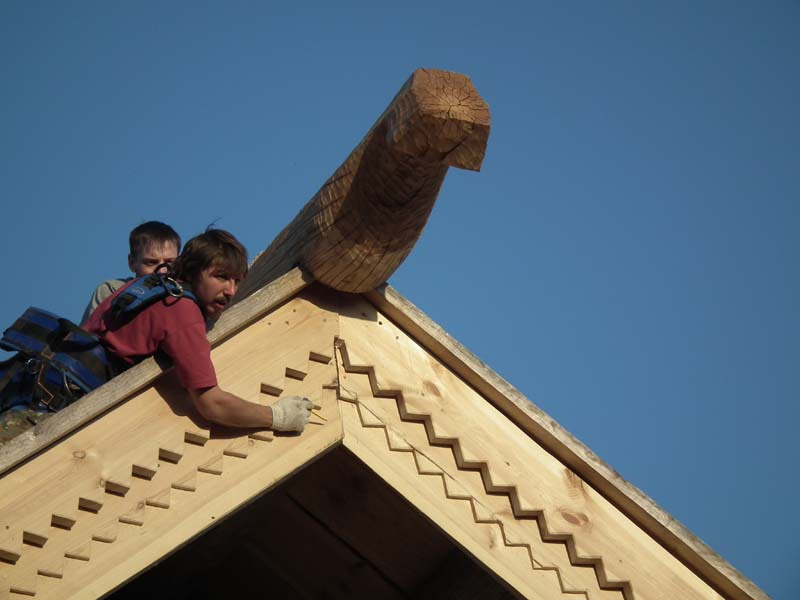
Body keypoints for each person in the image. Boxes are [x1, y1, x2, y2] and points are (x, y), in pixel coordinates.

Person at [82, 228, 313, 433]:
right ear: (193, 271)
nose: (231, 290)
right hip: (83, 406)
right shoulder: (182, 311)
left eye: (237, 280)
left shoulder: (147, 286)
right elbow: (212, 404)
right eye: (221, 277)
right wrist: (277, 416)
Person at [80, 221, 181, 324]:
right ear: (132, 263)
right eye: (151, 262)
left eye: (169, 262)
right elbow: (88, 337)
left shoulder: (186, 296)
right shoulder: (112, 291)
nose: (162, 270)